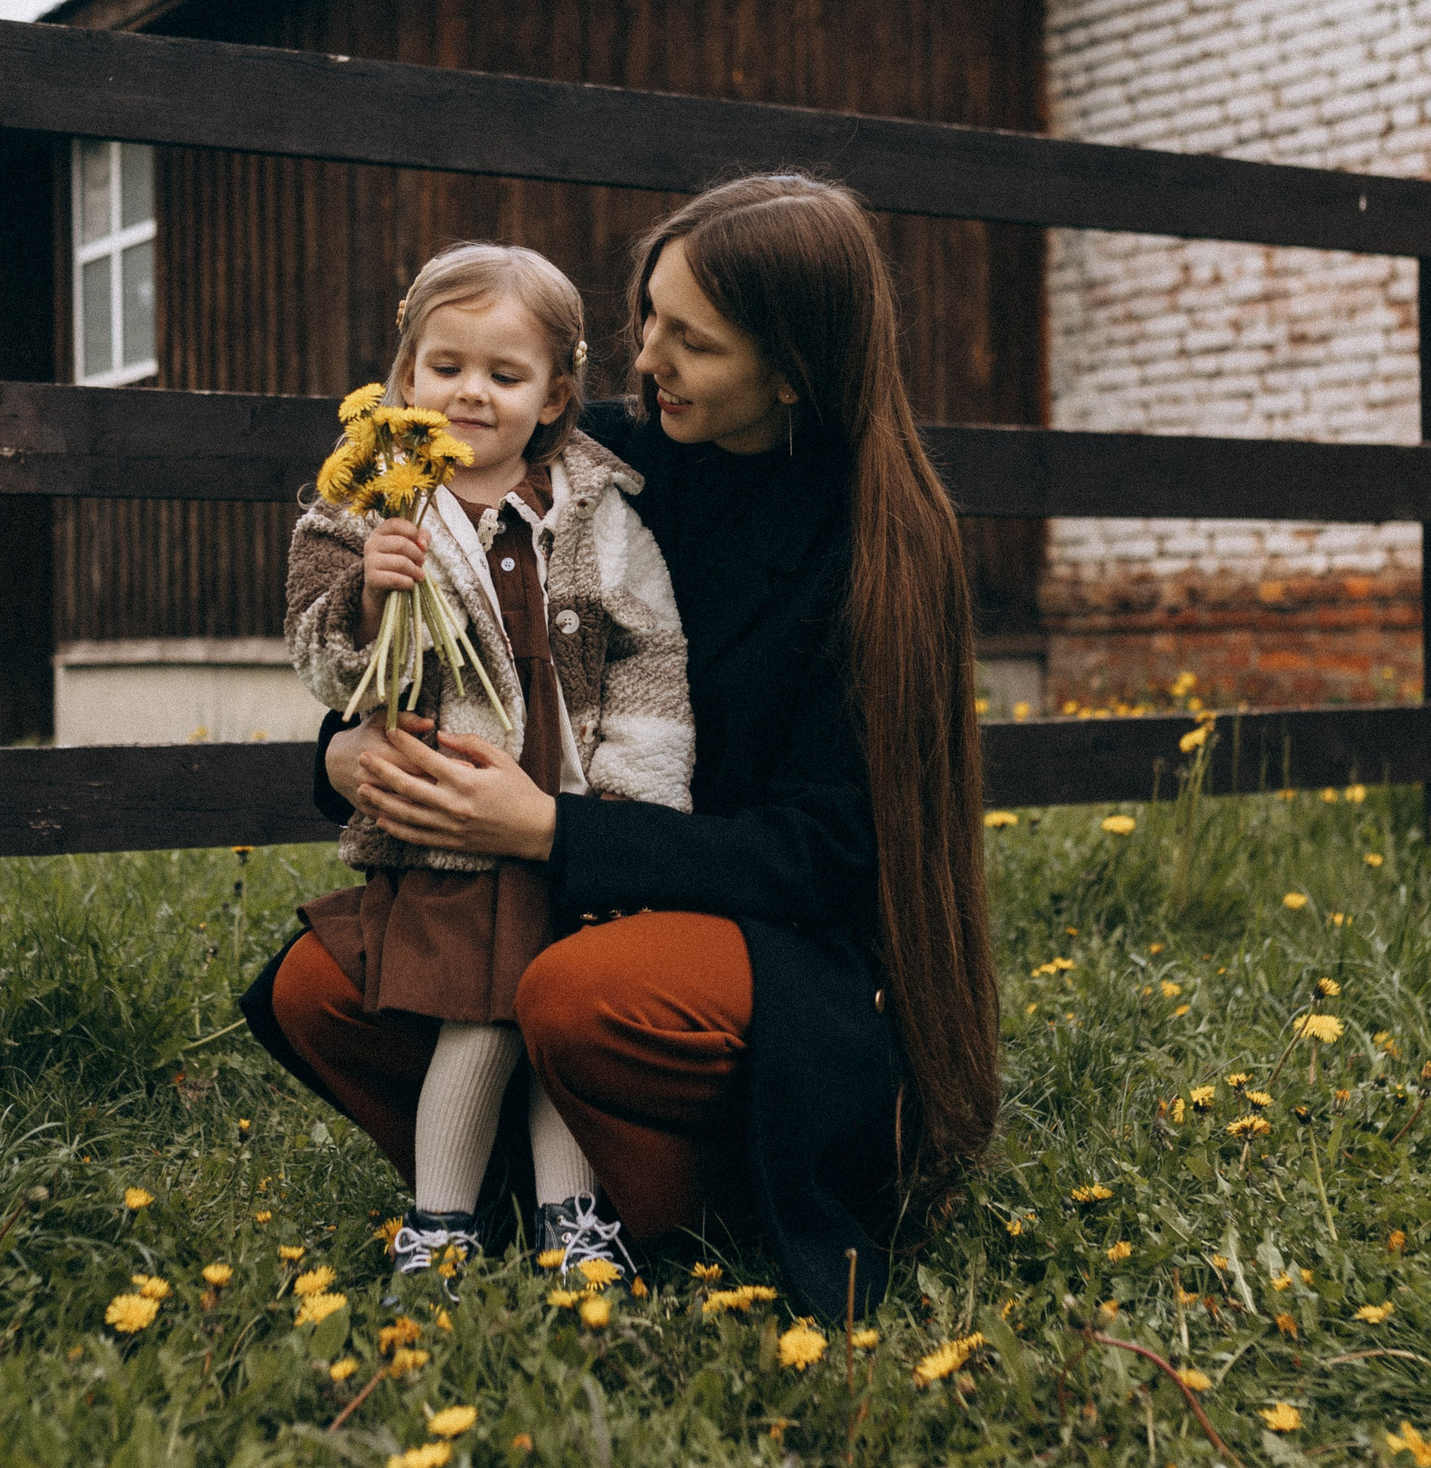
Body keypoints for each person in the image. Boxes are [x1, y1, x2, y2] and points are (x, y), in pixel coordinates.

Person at [245, 174, 1000, 1320]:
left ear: (793, 367)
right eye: (647, 316)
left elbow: (825, 857)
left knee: (572, 997)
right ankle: (502, 1200)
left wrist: (550, 830)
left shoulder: (878, 552)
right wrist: (342, 759)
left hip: (772, 937)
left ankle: (697, 1207)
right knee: (320, 989)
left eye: (691, 342)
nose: (644, 358)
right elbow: (449, 638)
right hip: (556, 870)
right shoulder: (589, 460)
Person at [278, 241, 695, 1288]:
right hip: (453, 810)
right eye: (444, 367)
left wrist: (635, 805)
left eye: (504, 377)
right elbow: (321, 664)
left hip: (568, 805)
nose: (469, 395)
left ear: (555, 396)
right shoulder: (374, 497)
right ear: (404, 372)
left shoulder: (598, 512)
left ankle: (573, 1219)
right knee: (476, 1016)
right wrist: (368, 598)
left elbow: (653, 660)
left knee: (556, 1016)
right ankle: (441, 1218)